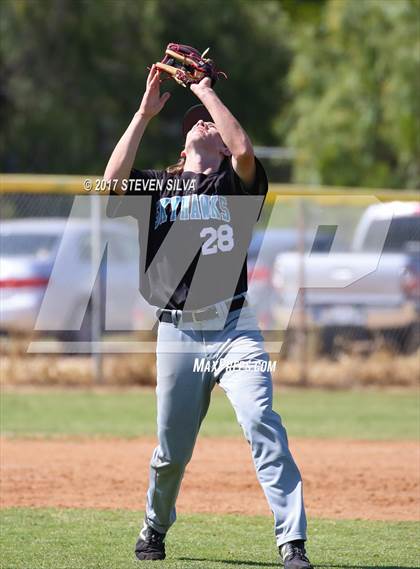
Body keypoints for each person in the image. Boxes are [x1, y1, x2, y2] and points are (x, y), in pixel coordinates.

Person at [104, 64, 313, 569]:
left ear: (221, 147)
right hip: (177, 333)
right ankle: (154, 526)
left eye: (211, 125)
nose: (203, 124)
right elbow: (107, 185)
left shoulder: (235, 185)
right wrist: (143, 113)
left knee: (262, 421)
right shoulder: (157, 186)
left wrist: (203, 90)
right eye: (195, 123)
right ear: (180, 153)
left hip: (235, 329)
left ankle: (292, 541)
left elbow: (243, 150)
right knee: (171, 451)